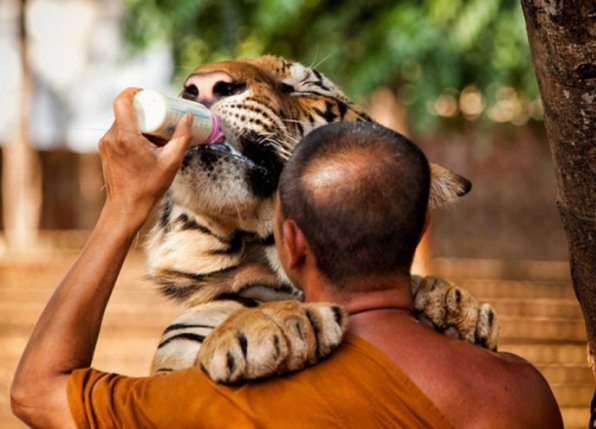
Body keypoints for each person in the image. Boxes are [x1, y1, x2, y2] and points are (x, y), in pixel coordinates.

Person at [11, 88, 563, 428]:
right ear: (420, 229)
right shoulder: (522, 393)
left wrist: (123, 209)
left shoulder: (227, 404)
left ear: (291, 242)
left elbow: (36, 392)